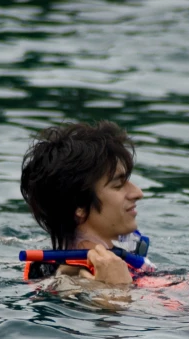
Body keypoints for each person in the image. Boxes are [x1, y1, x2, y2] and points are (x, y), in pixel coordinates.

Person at [20, 121, 144, 286]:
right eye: (118, 185)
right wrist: (119, 290)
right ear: (80, 205)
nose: (138, 193)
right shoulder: (73, 285)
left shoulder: (48, 269)